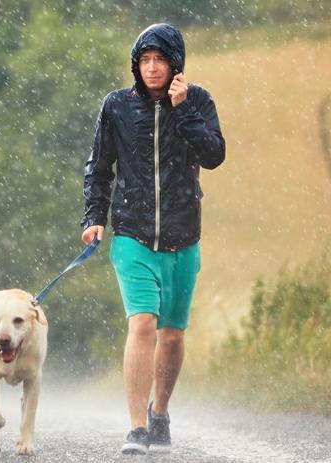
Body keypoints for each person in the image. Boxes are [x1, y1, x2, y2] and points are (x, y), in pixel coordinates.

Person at [80, 23, 225, 455]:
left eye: (161, 60)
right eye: (145, 60)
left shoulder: (198, 100)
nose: (152, 68)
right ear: (136, 65)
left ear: (176, 63)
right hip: (132, 235)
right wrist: (94, 217)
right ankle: (138, 427)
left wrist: (183, 111)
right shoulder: (117, 107)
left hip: (183, 236)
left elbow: (214, 155)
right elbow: (99, 166)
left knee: (173, 335)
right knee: (142, 323)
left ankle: (159, 411)